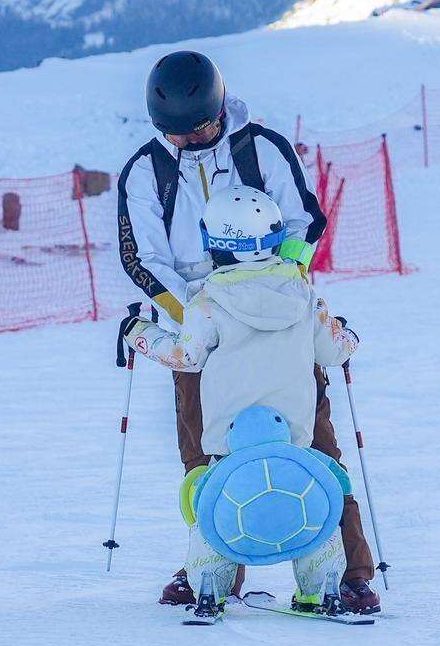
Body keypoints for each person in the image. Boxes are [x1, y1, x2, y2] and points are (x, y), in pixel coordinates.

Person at [117, 50, 381, 613]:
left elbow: (303, 219)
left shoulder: (260, 148)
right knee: (205, 450)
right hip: (200, 318)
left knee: (316, 446)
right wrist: (203, 313)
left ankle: (351, 571)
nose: (188, 140)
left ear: (218, 108)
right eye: (175, 133)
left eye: (199, 128)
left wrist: (276, 280)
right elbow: (141, 256)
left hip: (279, 312)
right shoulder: (146, 171)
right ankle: (212, 570)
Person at [121, 186, 359, 613]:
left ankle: (207, 585)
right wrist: (346, 335)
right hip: (295, 447)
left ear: (213, 240)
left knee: (213, 506)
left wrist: (139, 333)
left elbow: (185, 358)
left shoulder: (208, 303)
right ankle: (320, 586)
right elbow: (333, 351)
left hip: (230, 450)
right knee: (314, 506)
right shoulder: (304, 296)